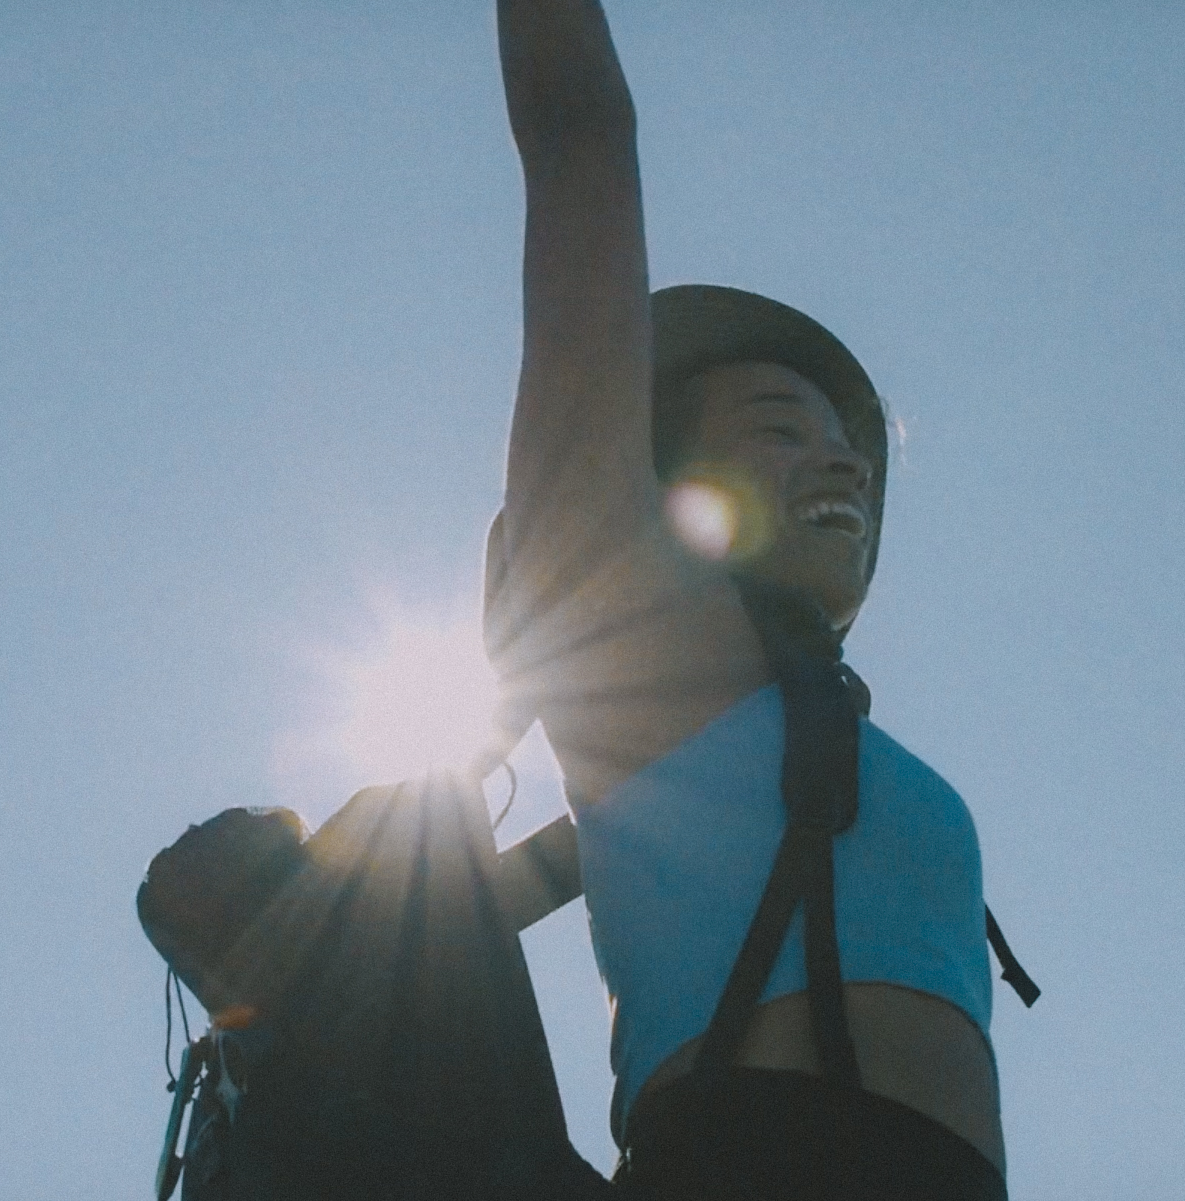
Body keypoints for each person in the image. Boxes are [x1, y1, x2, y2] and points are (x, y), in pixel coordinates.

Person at [485, 3, 1010, 1197]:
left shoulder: (775, 733)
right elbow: (579, 139)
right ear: (663, 493)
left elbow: (579, 869)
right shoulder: (648, 650)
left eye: (851, 448)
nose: (846, 466)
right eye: (782, 429)